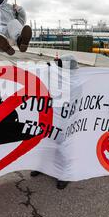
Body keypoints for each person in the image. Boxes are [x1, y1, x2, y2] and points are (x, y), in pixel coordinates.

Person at [31, 54, 80, 190]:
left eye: (60, 64)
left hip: (66, 120)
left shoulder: (76, 82)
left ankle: (64, 175)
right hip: (51, 117)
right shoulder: (55, 77)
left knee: (64, 148)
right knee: (45, 143)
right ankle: (42, 167)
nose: (57, 66)